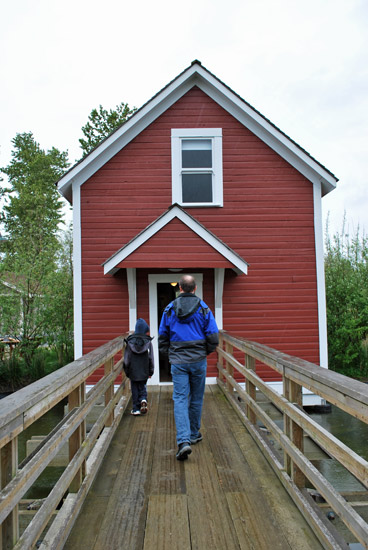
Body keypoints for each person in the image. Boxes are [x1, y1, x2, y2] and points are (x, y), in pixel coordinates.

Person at [158, 275, 219, 460]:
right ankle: (193, 434)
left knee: (180, 399)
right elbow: (213, 338)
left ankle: (183, 441)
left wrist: (171, 356)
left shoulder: (169, 310)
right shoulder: (204, 309)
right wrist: (203, 352)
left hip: (178, 362)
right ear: (195, 288)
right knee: (196, 398)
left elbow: (162, 339)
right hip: (198, 360)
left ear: (180, 288)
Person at [123, 318, 154, 416]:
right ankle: (143, 399)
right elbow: (151, 358)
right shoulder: (148, 342)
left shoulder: (130, 341)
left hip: (133, 370)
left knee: (134, 388)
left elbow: (127, 359)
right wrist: (151, 371)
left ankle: (136, 409)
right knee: (142, 385)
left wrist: (126, 370)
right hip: (144, 369)